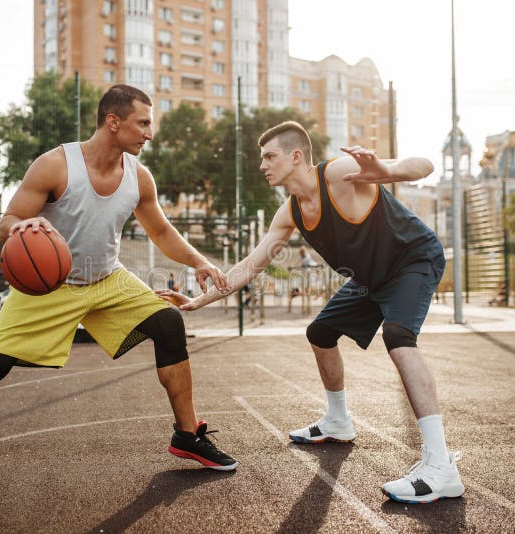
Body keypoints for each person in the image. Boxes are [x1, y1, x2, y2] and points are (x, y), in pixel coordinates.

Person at [0, 84, 237, 488]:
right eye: (143, 123)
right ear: (113, 121)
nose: (149, 133)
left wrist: (199, 260)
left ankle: (187, 435)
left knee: (168, 323)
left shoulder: (139, 177)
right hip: (49, 285)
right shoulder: (55, 165)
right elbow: (7, 222)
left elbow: (160, 229)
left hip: (107, 278)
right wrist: (23, 225)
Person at [157, 121, 464, 503]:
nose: (263, 165)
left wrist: (385, 172)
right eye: (262, 158)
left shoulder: (337, 173)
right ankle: (338, 420)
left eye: (270, 157)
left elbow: (423, 166)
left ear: (296, 156)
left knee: (398, 337)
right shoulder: (289, 213)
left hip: (412, 259)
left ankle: (440, 466)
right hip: (371, 277)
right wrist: (200, 301)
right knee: (320, 332)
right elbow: (251, 265)